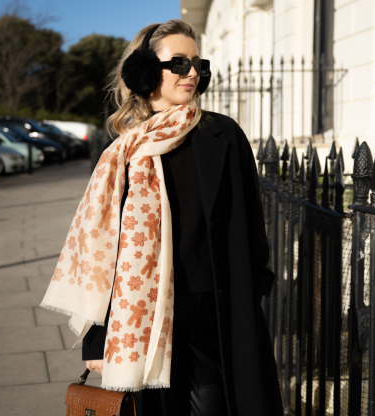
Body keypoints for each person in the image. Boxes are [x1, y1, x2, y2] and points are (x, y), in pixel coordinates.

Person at [41, 19, 283, 416]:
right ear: (145, 70)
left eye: (197, 64)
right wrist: (97, 340)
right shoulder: (124, 150)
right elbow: (101, 252)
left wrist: (255, 287)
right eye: (179, 63)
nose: (192, 73)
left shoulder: (222, 135)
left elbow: (253, 227)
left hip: (217, 314)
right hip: (146, 317)